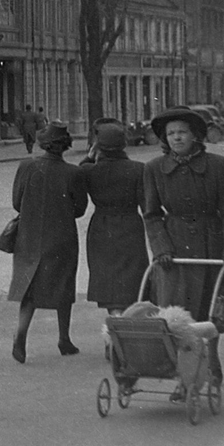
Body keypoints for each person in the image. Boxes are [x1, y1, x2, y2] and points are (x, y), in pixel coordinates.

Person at [143, 106, 224, 387]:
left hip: (210, 245)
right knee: (176, 317)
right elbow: (151, 215)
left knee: (210, 312)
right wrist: (161, 248)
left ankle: (211, 361)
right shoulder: (153, 169)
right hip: (173, 255)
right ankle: (184, 377)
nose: (176, 138)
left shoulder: (217, 165)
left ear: (196, 135)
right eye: (171, 133)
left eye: (182, 132)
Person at [7, 121, 88, 363]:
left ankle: (20, 337)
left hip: (29, 235)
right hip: (62, 236)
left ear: (43, 144)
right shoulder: (74, 173)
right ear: (65, 146)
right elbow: (80, 209)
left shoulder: (26, 167)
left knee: (29, 289)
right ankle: (64, 339)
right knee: (63, 286)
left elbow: (16, 202)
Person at [78, 119, 148, 315]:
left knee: (108, 279)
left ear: (98, 147)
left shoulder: (88, 170)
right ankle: (125, 323)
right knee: (131, 277)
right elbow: (146, 204)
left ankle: (115, 319)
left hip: (101, 226)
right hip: (130, 225)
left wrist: (89, 157)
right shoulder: (138, 169)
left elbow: (78, 174)